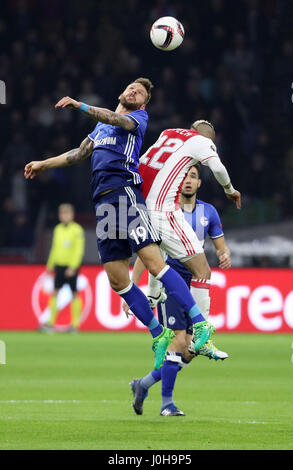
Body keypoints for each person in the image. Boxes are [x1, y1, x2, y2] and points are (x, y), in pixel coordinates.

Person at [24, 78, 215, 370]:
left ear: (144, 104)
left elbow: (114, 117)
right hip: (103, 203)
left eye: (141, 93)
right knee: (117, 278)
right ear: (120, 92)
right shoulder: (99, 130)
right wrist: (42, 164)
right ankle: (158, 333)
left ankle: (200, 324)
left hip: (126, 193)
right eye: (132, 88)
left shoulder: (137, 119)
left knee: (154, 263)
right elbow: (76, 154)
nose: (135, 92)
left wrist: (80, 105)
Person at [125, 164, 231, 416]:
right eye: (183, 176)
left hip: (196, 281)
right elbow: (145, 254)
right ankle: (167, 404)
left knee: (190, 350)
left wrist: (224, 255)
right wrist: (133, 287)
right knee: (178, 338)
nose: (187, 181)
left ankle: (143, 384)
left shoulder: (209, 212)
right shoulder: (163, 212)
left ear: (199, 184)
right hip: (170, 279)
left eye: (193, 176)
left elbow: (220, 247)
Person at [41, 203, 85, 333]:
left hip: (71, 266)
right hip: (58, 266)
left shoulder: (77, 230)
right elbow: (54, 249)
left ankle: (75, 325)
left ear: (72, 215)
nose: (65, 216)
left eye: (67, 213)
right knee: (55, 292)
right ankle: (50, 323)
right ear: (60, 216)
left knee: (74, 293)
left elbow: (78, 250)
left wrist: (73, 266)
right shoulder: (58, 229)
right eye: (63, 214)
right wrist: (50, 265)